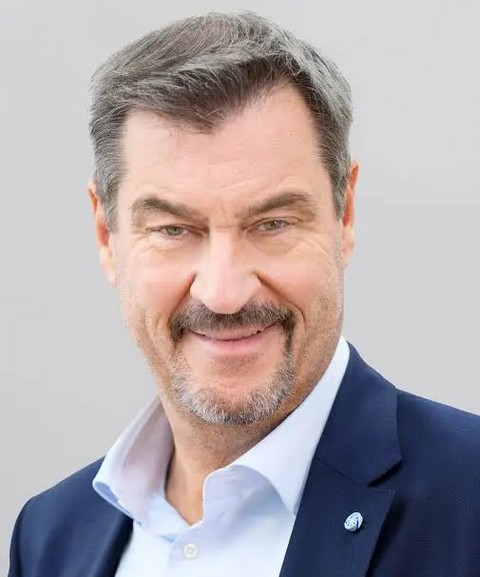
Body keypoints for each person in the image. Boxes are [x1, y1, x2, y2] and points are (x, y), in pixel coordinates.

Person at [8, 11, 480, 577]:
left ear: (345, 214)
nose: (224, 294)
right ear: (106, 234)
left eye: (273, 224)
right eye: (174, 230)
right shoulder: (50, 538)